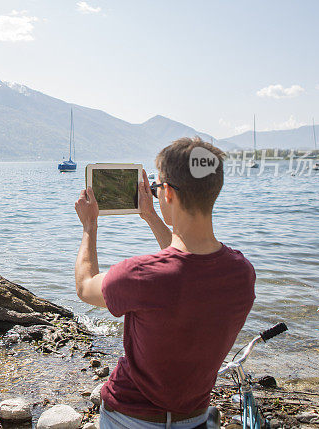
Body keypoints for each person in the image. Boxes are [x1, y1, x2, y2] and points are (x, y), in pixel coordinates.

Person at [73, 137, 256, 429]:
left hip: (129, 418)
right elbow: (184, 265)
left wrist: (89, 226)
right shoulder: (242, 273)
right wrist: (151, 216)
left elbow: (85, 286)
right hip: (193, 417)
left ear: (168, 192)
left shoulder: (140, 275)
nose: (156, 194)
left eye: (157, 189)